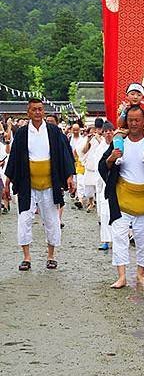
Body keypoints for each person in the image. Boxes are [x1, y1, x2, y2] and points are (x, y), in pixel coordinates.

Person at [99, 105, 144, 289]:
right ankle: (122, 276)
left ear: (143, 121)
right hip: (122, 196)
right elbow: (103, 165)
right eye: (130, 120)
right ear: (126, 121)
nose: (133, 123)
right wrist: (111, 158)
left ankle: (140, 274)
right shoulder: (118, 142)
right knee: (119, 237)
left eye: (137, 120)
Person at [3, 99, 76, 271]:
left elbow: (64, 154)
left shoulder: (53, 131)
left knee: (51, 220)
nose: (37, 112)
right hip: (27, 184)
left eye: (40, 109)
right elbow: (13, 159)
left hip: (50, 182)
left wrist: (69, 176)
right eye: (34, 110)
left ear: (44, 112)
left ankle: (51, 255)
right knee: (24, 220)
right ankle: (26, 257)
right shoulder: (21, 133)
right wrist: (7, 182)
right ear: (28, 112)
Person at [113, 83, 144, 166]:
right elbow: (119, 124)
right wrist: (124, 112)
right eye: (132, 94)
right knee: (117, 134)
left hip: (143, 129)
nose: (135, 97)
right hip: (127, 129)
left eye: (138, 95)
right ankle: (119, 155)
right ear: (127, 96)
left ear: (143, 97)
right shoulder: (123, 107)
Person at [95, 122, 114, 251]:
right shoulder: (99, 149)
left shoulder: (120, 145)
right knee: (105, 213)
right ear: (103, 132)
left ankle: (122, 238)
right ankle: (106, 240)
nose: (108, 133)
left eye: (110, 131)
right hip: (105, 183)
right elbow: (99, 167)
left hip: (119, 184)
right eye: (106, 131)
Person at [70, 122, 87, 208]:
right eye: (74, 130)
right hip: (71, 161)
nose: (76, 131)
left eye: (77, 130)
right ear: (71, 130)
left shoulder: (83, 139)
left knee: (80, 179)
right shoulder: (69, 138)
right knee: (73, 178)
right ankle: (75, 191)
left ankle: (79, 196)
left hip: (80, 161)